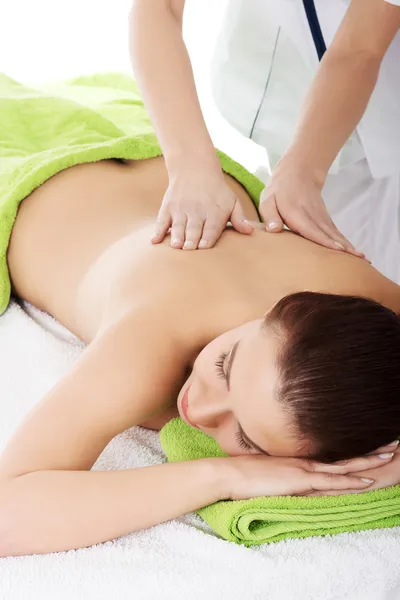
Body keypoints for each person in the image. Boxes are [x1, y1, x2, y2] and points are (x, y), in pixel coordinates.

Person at [0, 137, 399, 556]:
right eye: (225, 365)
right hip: (46, 172)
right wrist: (224, 475)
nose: (199, 407)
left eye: (246, 437)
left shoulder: (372, 311)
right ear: (274, 310)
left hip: (158, 157)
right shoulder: (150, 341)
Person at [130, 0, 400, 282]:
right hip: (284, 94)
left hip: (380, 116)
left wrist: (304, 173)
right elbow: (158, 8)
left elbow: (359, 48)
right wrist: (190, 168)